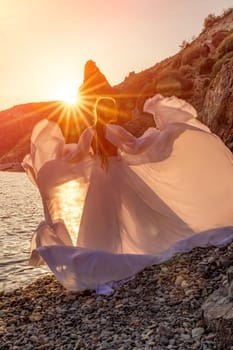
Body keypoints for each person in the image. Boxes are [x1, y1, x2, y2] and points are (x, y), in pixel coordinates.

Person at [22, 94, 233, 294]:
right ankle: (139, 248)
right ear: (108, 111)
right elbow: (134, 147)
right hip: (118, 174)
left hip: (99, 179)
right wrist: (160, 135)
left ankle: (103, 257)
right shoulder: (112, 130)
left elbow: (77, 157)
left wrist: (55, 160)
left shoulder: (89, 132)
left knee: (103, 220)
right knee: (140, 211)